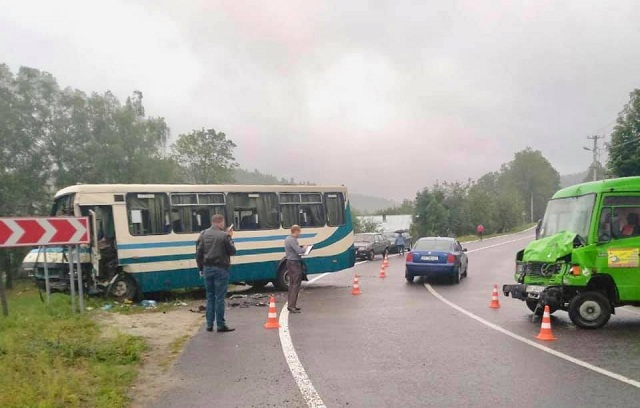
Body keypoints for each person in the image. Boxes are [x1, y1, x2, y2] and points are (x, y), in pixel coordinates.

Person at [196, 214, 237, 333]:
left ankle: (209, 324)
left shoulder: (204, 234)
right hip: (221, 269)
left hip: (207, 268)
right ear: (221, 223)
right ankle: (220, 324)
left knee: (210, 297)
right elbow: (232, 251)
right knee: (219, 297)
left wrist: (200, 268)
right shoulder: (224, 236)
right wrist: (230, 237)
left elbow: (198, 253)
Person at [284, 225, 307, 314]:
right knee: (295, 284)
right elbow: (299, 251)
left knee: (292, 284)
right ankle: (291, 306)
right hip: (294, 263)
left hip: (290, 262)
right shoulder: (292, 240)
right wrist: (304, 248)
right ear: (296, 231)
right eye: (299, 232)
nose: (299, 234)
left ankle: (292, 305)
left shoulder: (287, 238)